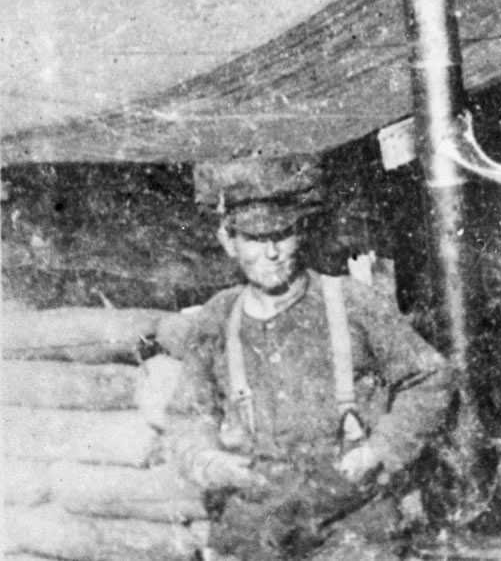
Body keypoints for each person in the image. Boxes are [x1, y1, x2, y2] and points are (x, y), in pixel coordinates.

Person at [165, 157, 455, 561]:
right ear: (229, 242)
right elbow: (187, 414)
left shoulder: (350, 301)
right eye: (253, 238)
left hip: (352, 515)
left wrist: (379, 450)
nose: (271, 252)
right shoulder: (219, 316)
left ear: (300, 233)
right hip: (258, 514)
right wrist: (207, 461)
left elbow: (429, 379)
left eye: (282, 235)